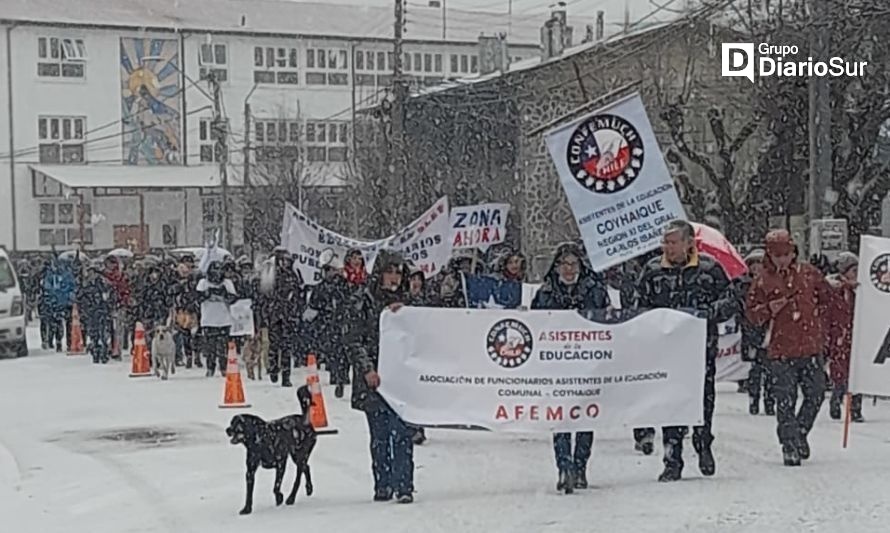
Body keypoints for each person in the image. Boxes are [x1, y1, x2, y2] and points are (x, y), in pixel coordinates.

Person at [636, 220, 736, 482]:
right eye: (665, 242)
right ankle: (672, 459)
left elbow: (730, 299)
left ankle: (703, 444)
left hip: (701, 349)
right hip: (666, 353)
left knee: (703, 400)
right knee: (670, 404)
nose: (668, 247)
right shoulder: (653, 270)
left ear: (689, 242)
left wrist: (710, 312)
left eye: (673, 242)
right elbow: (638, 305)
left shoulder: (709, 268)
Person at [746, 229, 833, 466]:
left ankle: (800, 431)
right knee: (785, 400)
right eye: (778, 255)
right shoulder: (762, 280)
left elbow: (828, 297)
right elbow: (751, 315)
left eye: (787, 253)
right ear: (770, 256)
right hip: (780, 352)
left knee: (815, 395)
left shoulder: (809, 274)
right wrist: (768, 310)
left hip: (811, 347)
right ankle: (789, 444)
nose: (784, 259)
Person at [532, 242, 611, 493]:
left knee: (585, 417)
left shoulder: (595, 291)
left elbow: (608, 324)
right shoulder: (545, 293)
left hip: (588, 364)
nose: (568, 269)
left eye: (573, 264)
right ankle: (564, 466)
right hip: (557, 366)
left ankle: (580, 466)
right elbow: (536, 324)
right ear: (556, 267)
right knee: (561, 418)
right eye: (564, 264)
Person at [344, 250, 415, 504]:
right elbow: (353, 340)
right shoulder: (363, 300)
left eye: (398, 272)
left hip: (401, 380)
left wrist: (405, 314)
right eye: (390, 271)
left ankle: (404, 485)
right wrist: (367, 369)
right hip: (374, 380)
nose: (394, 278)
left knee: (402, 433)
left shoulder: (411, 302)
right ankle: (383, 484)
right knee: (380, 434)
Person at [826, 252, 864, 422]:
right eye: (852, 269)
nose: (855, 273)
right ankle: (837, 399)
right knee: (840, 371)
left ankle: (856, 408)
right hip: (839, 335)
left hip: (857, 335)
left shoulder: (861, 290)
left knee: (858, 373)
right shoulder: (835, 288)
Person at [307, 253, 351, 398]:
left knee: (342, 351)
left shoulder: (342, 285)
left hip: (340, 322)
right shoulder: (321, 287)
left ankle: (341, 376)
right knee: (333, 351)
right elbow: (314, 305)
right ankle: (336, 376)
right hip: (327, 324)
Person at [737, 249, 774, 416]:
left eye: (760, 265)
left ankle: (769, 399)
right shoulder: (744, 285)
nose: (757, 268)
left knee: (771, 369)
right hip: (752, 330)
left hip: (769, 330)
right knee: (756, 368)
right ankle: (754, 396)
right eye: (754, 265)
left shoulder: (771, 283)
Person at [267, 248, 304, 387]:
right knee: (274, 345)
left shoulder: (294, 274)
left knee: (287, 347)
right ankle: (273, 368)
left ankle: (286, 376)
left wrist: (296, 309)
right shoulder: (272, 274)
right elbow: (265, 293)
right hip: (275, 315)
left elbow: (299, 292)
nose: (285, 263)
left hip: (289, 315)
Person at [197, 261, 238, 376]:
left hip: (224, 320)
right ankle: (210, 367)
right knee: (210, 348)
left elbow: (233, 298)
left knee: (223, 347)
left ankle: (224, 367)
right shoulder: (203, 283)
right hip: (208, 320)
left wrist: (224, 294)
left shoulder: (227, 283)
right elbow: (197, 297)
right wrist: (208, 293)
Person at [80, 263, 116, 364]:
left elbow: (110, 296)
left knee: (104, 334)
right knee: (94, 334)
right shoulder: (87, 285)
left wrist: (108, 307)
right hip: (92, 313)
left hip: (102, 312)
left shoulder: (104, 284)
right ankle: (95, 352)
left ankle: (103, 353)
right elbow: (82, 298)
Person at [41, 255, 76, 352]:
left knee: (69, 323)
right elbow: (46, 287)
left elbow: (72, 286)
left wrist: (70, 298)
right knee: (57, 324)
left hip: (66, 303)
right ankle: (58, 342)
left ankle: (69, 342)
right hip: (55, 303)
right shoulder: (50, 275)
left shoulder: (67, 274)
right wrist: (49, 299)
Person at [103, 256, 131, 360]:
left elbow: (125, 289)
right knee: (108, 329)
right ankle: (108, 347)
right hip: (106, 306)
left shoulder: (121, 276)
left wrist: (123, 300)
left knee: (118, 329)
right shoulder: (103, 275)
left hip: (119, 305)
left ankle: (117, 350)